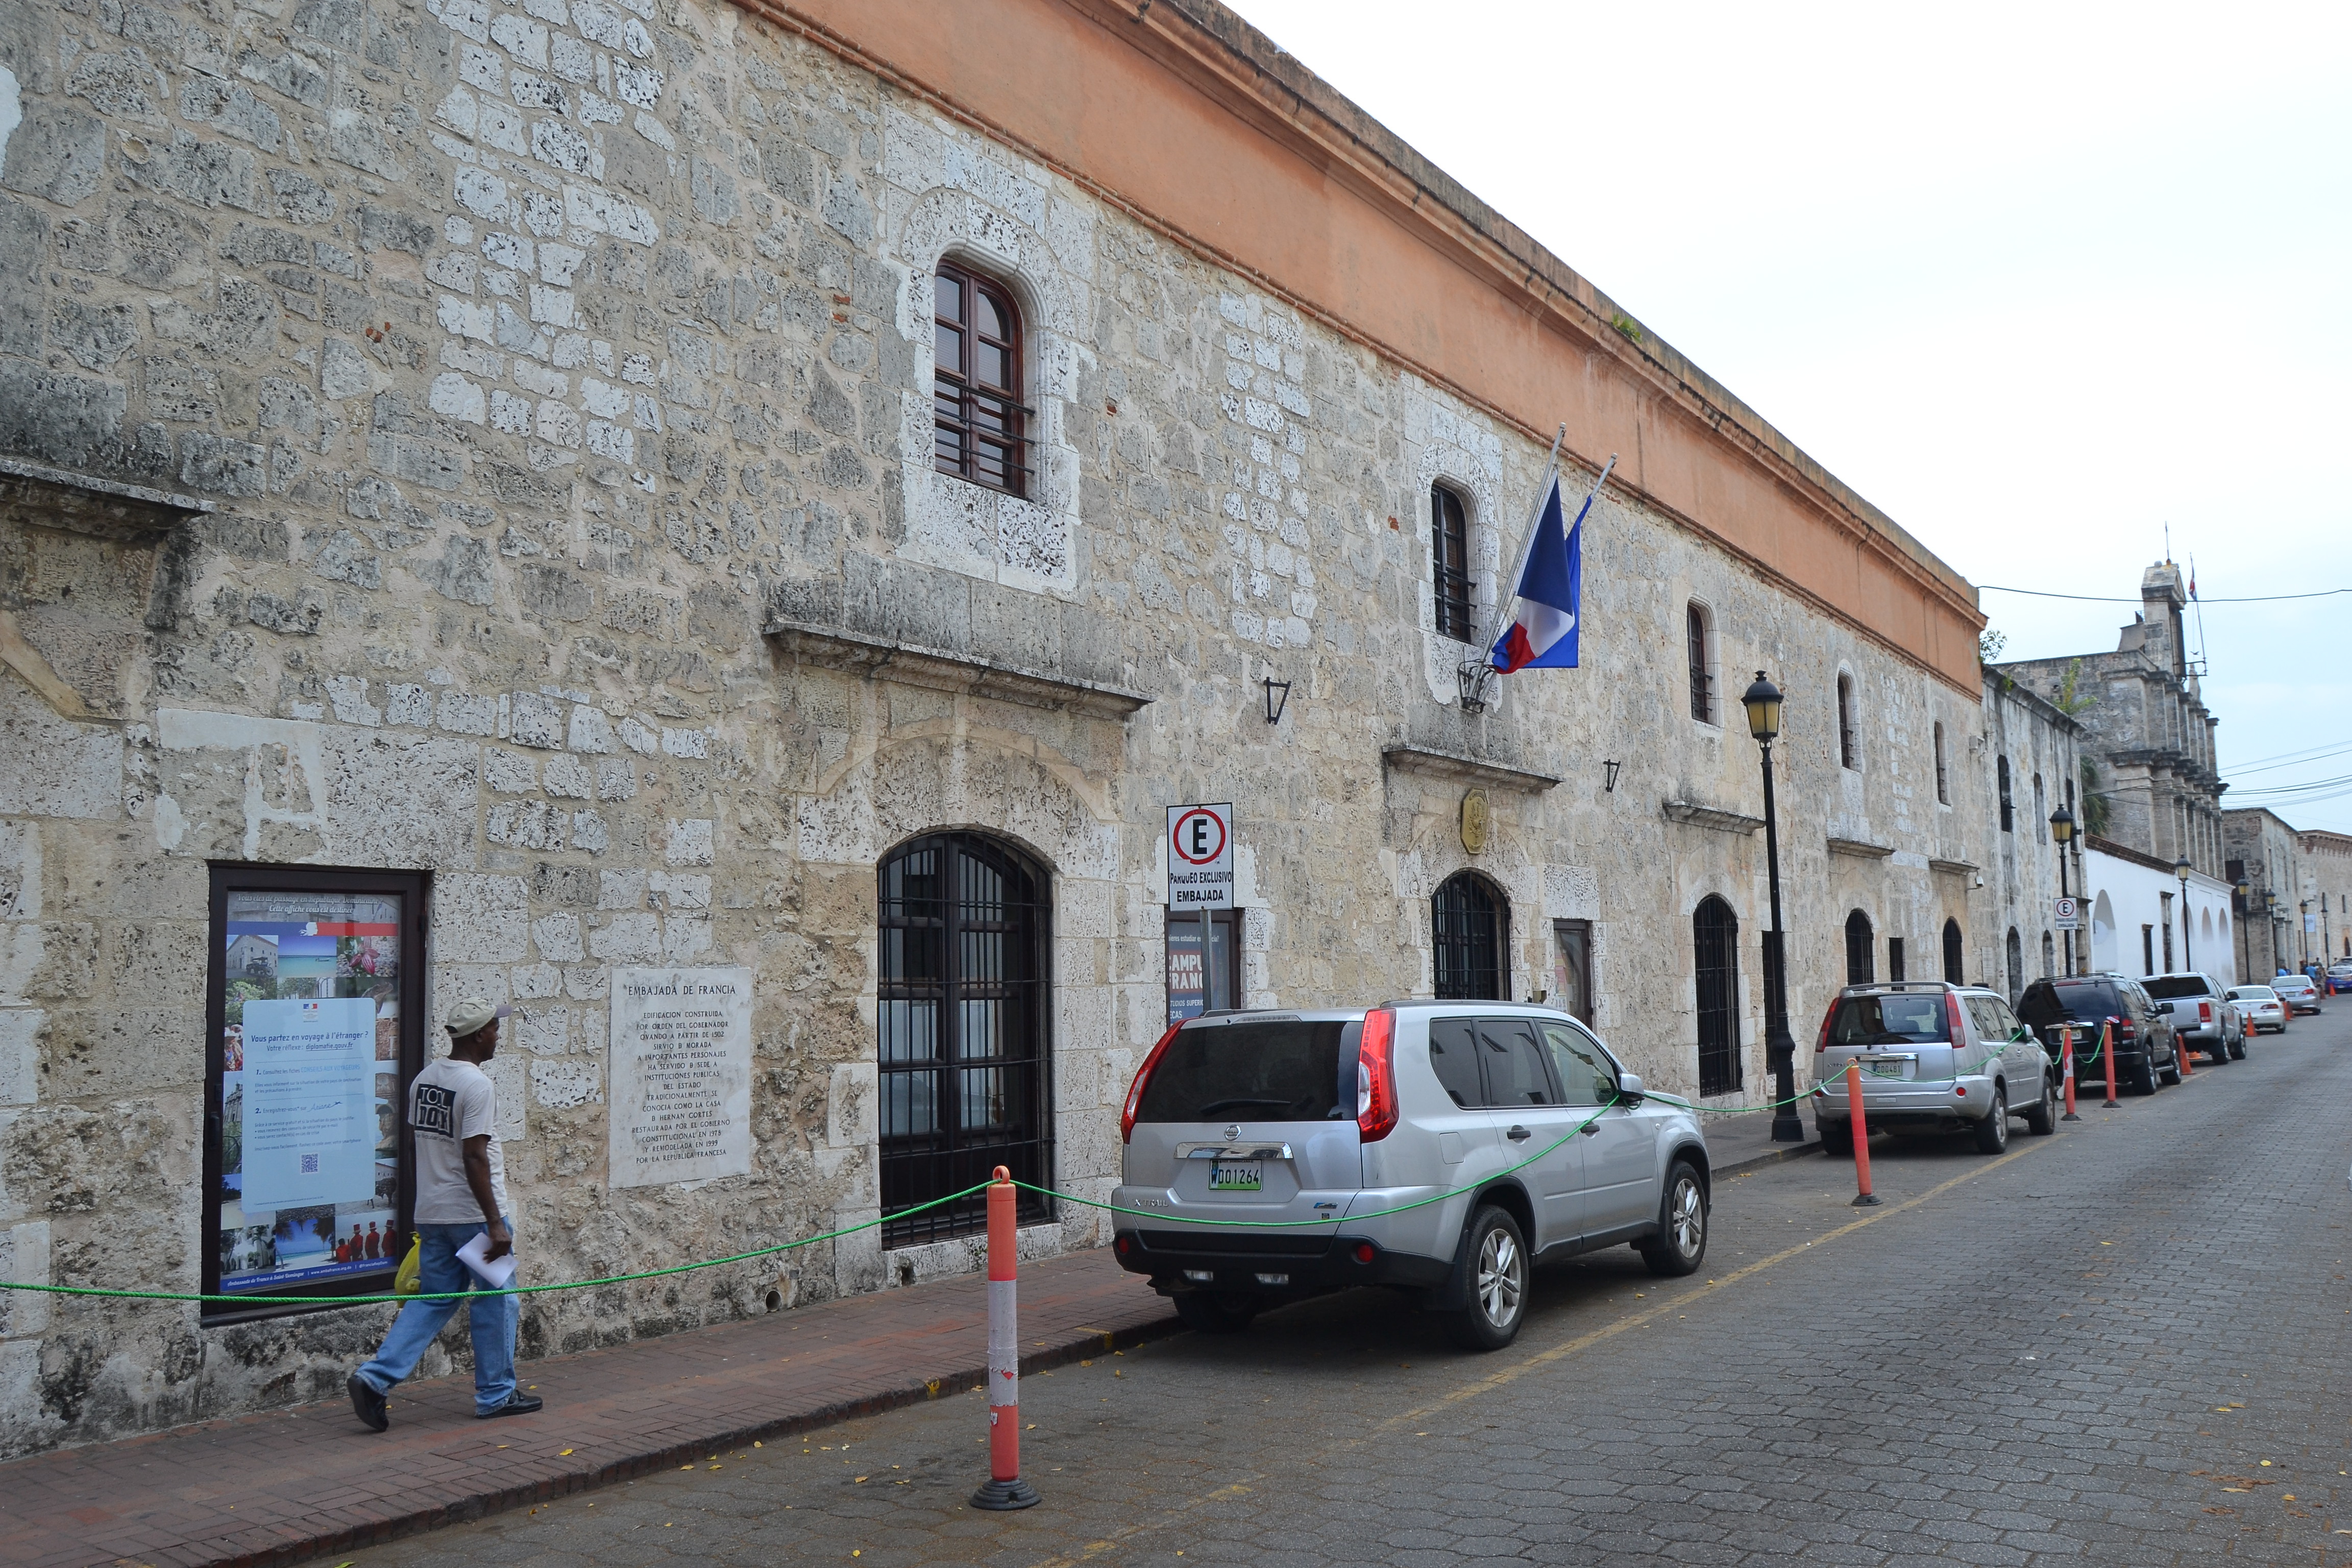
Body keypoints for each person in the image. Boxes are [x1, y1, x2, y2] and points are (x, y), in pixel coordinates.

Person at [347, 997, 542, 1429]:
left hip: (434, 1213)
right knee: (499, 1300)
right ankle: (496, 1393)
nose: (498, 1035)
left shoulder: (425, 1080)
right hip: (474, 1215)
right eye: (494, 1028)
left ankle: (374, 1378)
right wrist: (494, 1223)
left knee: (435, 1298)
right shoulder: (478, 1086)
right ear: (478, 1036)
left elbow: (426, 1147)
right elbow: (474, 1156)